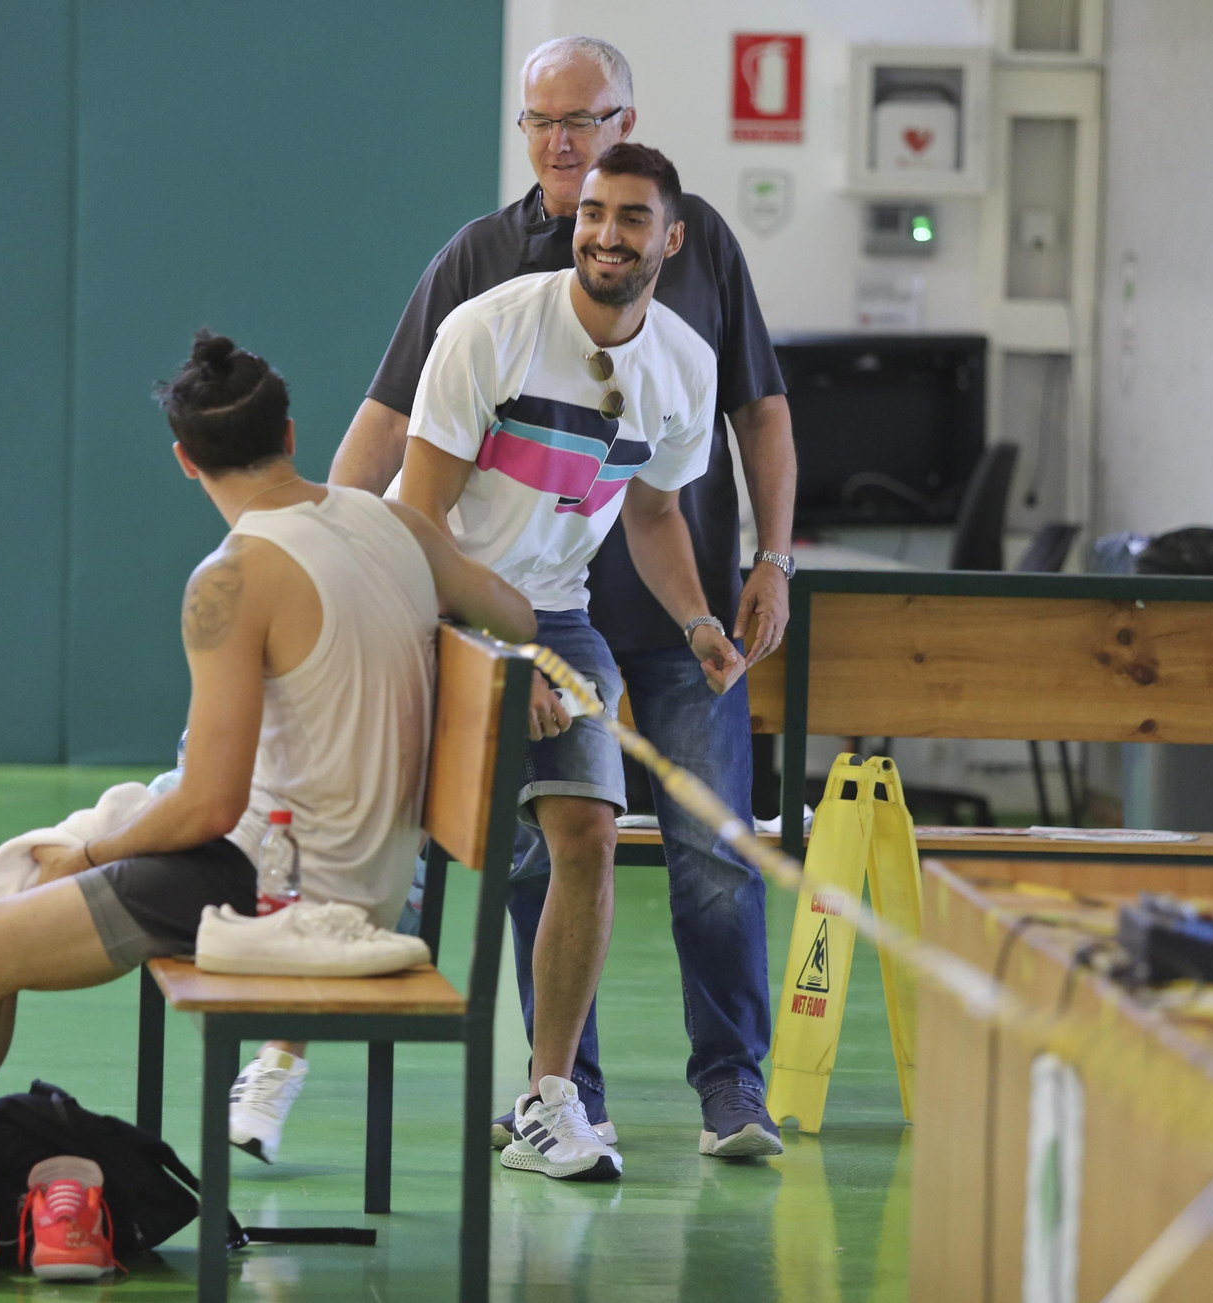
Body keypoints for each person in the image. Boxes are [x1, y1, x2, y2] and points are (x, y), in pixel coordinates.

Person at [0, 331, 535, 1281]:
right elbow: (520, 617)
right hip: (367, 874)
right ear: (291, 432)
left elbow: (212, 804)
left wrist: (91, 856)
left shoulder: (232, 576)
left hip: (274, 892)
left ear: (184, 460)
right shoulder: (400, 525)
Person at [331, 37, 796, 1160]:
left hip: (605, 600)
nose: (562, 143)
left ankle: (713, 1088)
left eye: (583, 120)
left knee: (699, 849)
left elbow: (676, 489)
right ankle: (535, 1087)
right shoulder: (483, 289)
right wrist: (329, 552)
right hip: (479, 601)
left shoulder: (686, 306)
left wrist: (746, 579)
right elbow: (399, 461)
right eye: (542, 123)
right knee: (416, 845)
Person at [397, 141, 742, 1183]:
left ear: (668, 240)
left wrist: (694, 620)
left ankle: (550, 1099)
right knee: (389, 849)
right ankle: (269, 1061)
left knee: (588, 830)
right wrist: (503, 654)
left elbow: (652, 510)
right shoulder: (489, 331)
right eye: (593, 212)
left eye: (631, 218)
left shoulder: (682, 364)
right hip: (436, 598)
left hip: (561, 612)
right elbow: (413, 517)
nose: (604, 232)